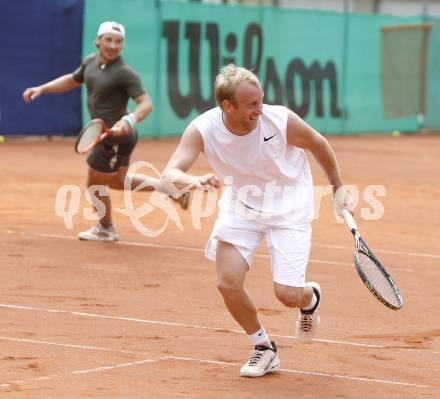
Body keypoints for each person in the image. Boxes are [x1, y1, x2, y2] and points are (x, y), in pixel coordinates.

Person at [161, 64, 354, 378]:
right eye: (251, 104)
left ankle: (310, 297)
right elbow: (169, 173)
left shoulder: (278, 120)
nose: (259, 108)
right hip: (241, 204)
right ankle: (264, 348)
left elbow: (318, 143)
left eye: (261, 99)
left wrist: (339, 189)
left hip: (289, 204)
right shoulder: (203, 128)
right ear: (228, 106)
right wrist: (191, 180)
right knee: (227, 282)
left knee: (288, 296)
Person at [23, 21, 190, 241]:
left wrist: (128, 121)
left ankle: (106, 228)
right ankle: (169, 188)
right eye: (108, 40)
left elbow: (146, 103)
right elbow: (73, 80)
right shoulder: (91, 62)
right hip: (106, 135)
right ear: (98, 41)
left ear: (122, 45)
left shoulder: (124, 72)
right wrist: (42, 88)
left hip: (115, 137)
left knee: (95, 182)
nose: (113, 45)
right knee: (117, 181)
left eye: (118, 41)